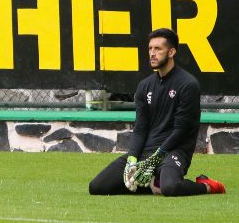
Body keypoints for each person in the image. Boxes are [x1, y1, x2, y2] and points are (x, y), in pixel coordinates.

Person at [88, 28, 226, 197]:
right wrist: (132, 158)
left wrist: (156, 158)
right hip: (146, 152)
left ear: (171, 52)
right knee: (97, 187)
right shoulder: (144, 86)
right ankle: (153, 183)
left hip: (174, 152)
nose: (152, 53)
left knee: (171, 188)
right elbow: (140, 129)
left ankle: (207, 186)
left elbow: (181, 131)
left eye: (158, 49)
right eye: (150, 48)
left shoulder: (188, 84)